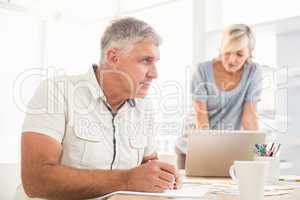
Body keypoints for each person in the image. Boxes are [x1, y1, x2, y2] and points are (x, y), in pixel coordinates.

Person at [16, 17, 181, 200]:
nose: (154, 74)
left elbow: (148, 162)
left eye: (155, 62)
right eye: (145, 61)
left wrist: (163, 175)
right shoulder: (56, 92)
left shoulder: (144, 107)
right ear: (113, 58)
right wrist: (125, 179)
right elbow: (36, 180)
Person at [176, 24, 263, 168]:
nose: (231, 60)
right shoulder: (201, 70)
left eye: (239, 54)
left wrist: (262, 155)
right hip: (193, 146)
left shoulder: (253, 72)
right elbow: (201, 120)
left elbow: (249, 119)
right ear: (220, 49)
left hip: (225, 148)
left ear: (250, 52)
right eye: (227, 52)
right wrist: (209, 156)